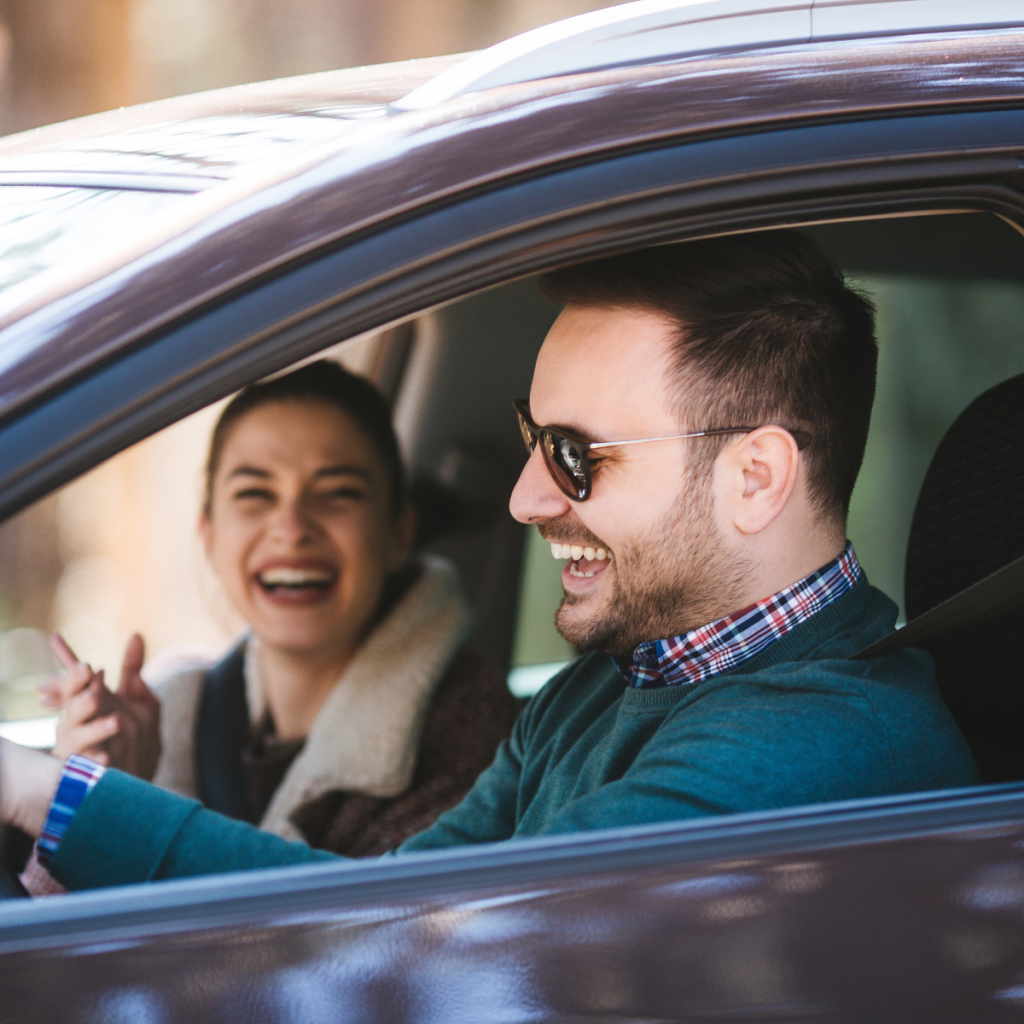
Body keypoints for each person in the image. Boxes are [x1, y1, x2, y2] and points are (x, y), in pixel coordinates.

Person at [0, 231, 980, 891]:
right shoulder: (605, 685)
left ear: (754, 478)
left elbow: (414, 949)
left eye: (575, 454)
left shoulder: (821, 744)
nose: (525, 497)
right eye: (530, 438)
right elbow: (384, 902)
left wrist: (40, 793)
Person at [28, 362, 520, 880]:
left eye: (338, 493)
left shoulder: (477, 744)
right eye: (254, 494)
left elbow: (339, 929)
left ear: (398, 533)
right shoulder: (177, 715)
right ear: (209, 536)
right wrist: (95, 790)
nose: (291, 528)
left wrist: (107, 822)